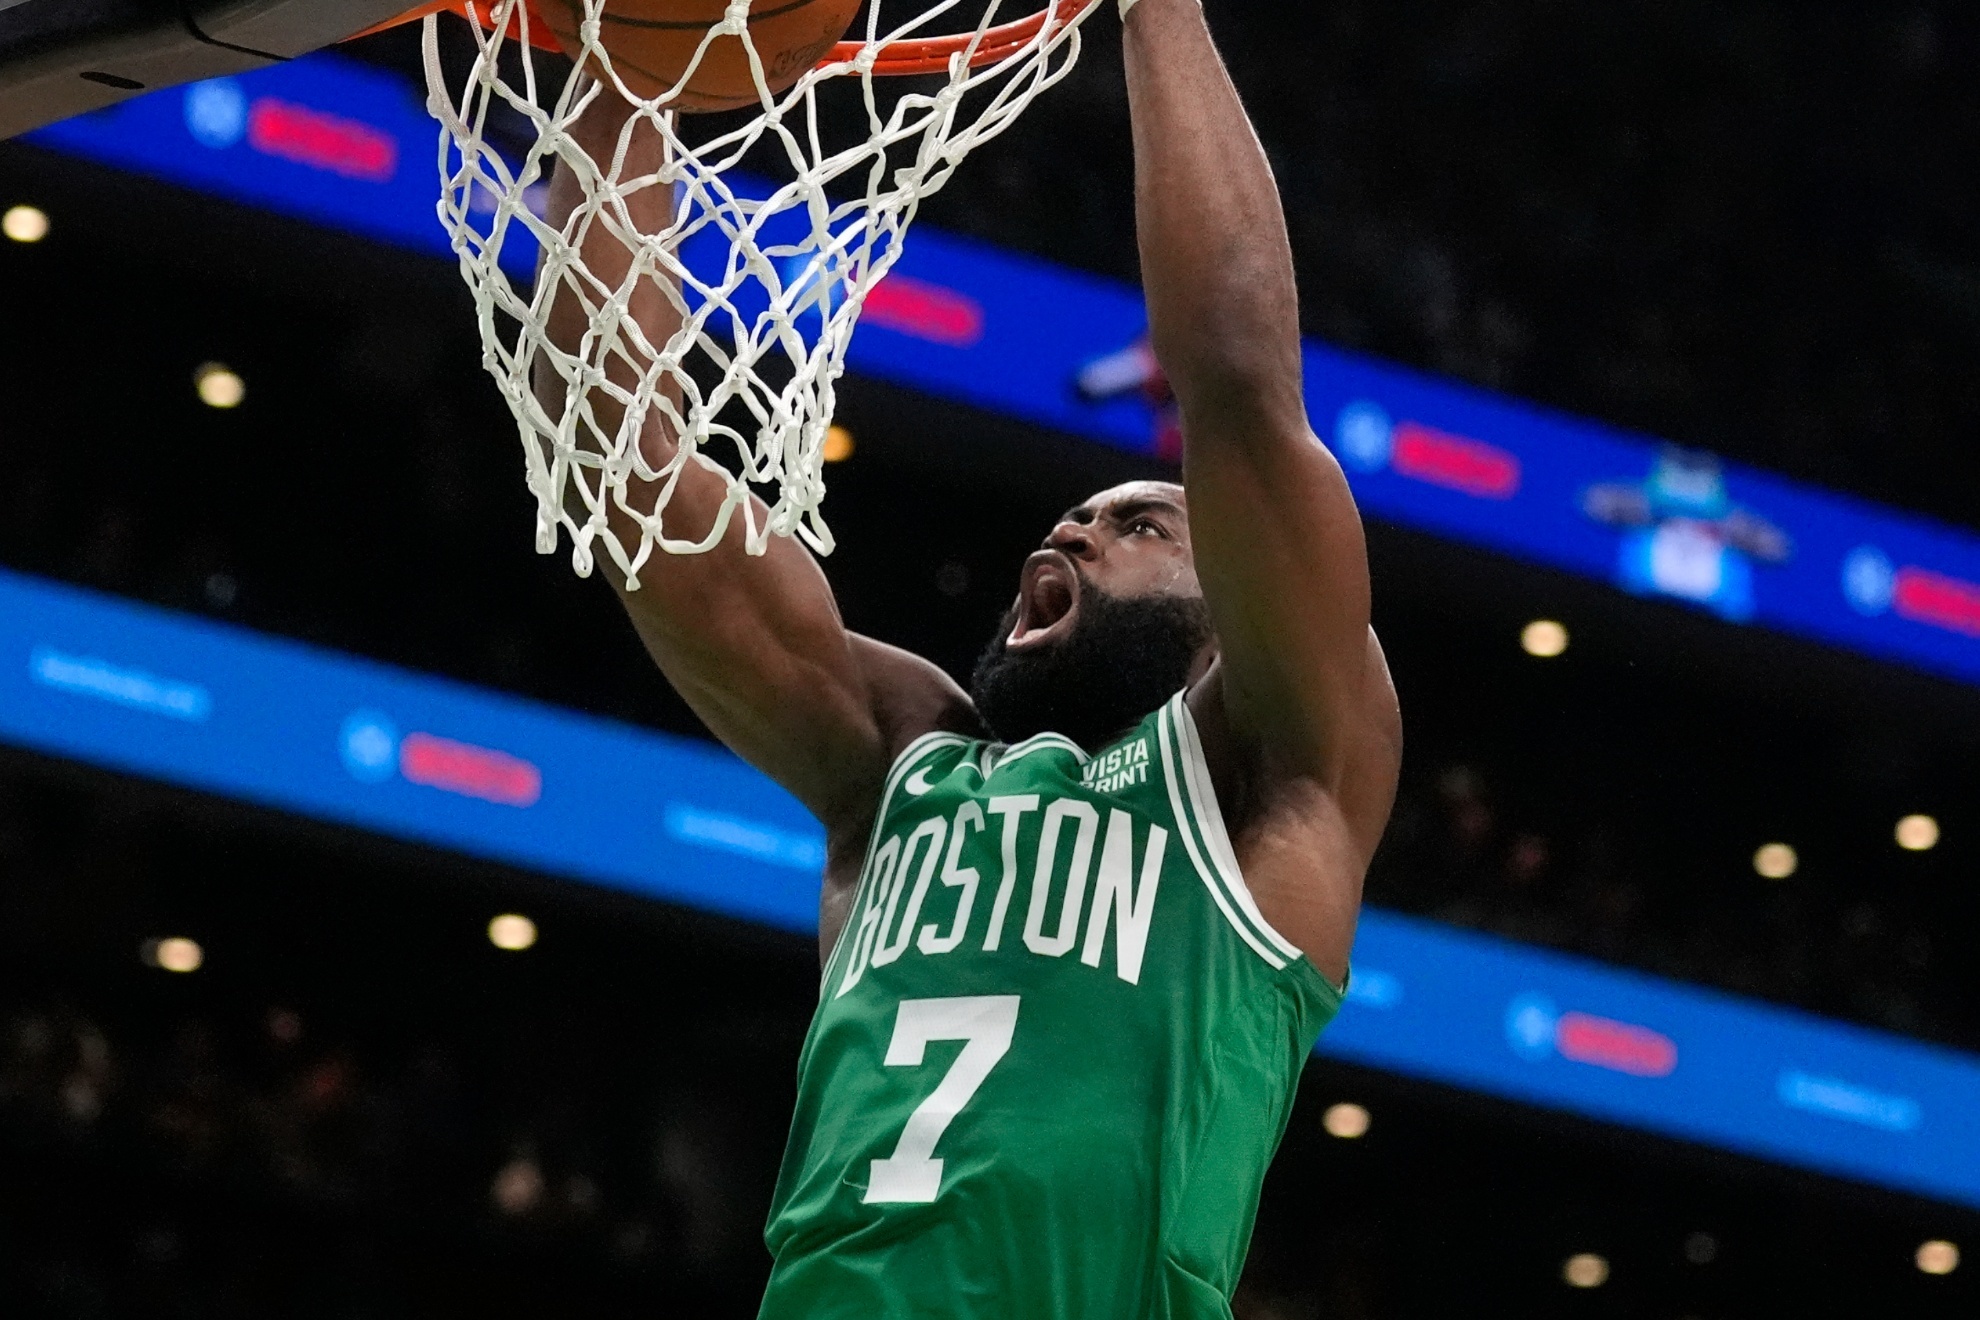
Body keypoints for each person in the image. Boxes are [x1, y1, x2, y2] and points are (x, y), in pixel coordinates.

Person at [538, 0, 1401, 1313]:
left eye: (1142, 522)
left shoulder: (1267, 779)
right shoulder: (898, 764)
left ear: (1235, 598)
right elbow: (633, 484)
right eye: (1079, 516)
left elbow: (1232, 377)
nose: (1076, 524)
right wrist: (610, 80)